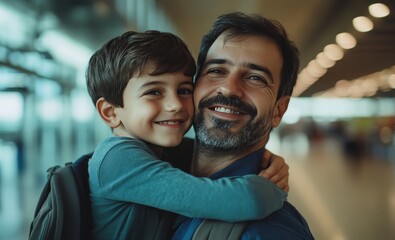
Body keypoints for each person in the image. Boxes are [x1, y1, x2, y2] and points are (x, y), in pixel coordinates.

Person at [85, 30, 291, 239]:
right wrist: (271, 190)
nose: (175, 105)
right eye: (154, 92)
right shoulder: (118, 160)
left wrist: (267, 161)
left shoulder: (159, 151)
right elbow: (238, 201)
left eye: (184, 90)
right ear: (110, 112)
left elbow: (201, 150)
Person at [173, 12, 314, 239]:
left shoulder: (270, 231)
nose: (229, 89)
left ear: (278, 110)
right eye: (216, 70)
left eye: (255, 77)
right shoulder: (158, 168)